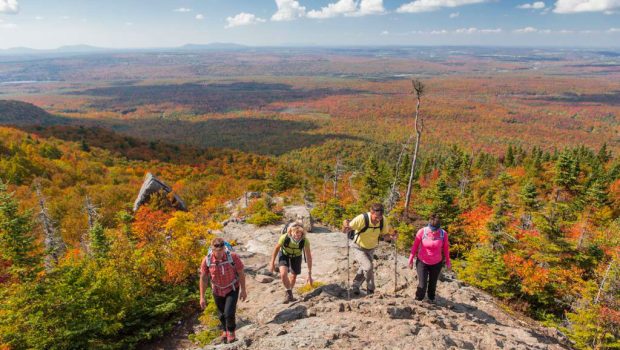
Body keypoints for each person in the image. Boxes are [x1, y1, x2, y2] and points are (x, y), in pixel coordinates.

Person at [200, 237, 247, 344]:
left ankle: (231, 331)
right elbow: (203, 278)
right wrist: (202, 297)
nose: (220, 254)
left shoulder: (233, 257)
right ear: (212, 249)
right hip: (217, 289)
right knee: (221, 314)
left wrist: (243, 290)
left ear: (224, 248)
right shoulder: (207, 260)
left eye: (221, 251)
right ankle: (225, 330)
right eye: (217, 251)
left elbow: (241, 273)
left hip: (232, 288)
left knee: (229, 312)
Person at [342, 203, 397, 295]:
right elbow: (345, 230)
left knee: (364, 267)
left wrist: (392, 237)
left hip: (371, 248)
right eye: (376, 217)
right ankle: (370, 289)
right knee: (368, 267)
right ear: (371, 212)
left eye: (380, 217)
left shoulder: (383, 220)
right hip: (358, 247)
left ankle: (355, 285)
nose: (378, 220)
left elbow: (385, 236)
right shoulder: (362, 218)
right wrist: (345, 224)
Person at [408, 213, 451, 303]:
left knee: (432, 284)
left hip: (436, 263)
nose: (434, 231)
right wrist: (411, 259)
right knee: (422, 285)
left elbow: (446, 248)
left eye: (436, 230)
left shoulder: (443, 234)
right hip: (422, 261)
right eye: (432, 229)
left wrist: (448, 262)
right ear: (429, 225)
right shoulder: (422, 232)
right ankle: (418, 300)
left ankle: (431, 299)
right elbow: (415, 246)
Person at [269, 222, 313, 303]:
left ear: (302, 234)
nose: (297, 237)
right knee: (283, 273)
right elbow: (276, 249)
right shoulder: (284, 237)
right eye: (295, 234)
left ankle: (289, 294)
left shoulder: (305, 241)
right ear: (290, 232)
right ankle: (289, 294)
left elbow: (309, 257)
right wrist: (272, 263)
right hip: (284, 254)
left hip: (296, 256)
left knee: (293, 277)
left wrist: (309, 274)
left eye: (299, 235)